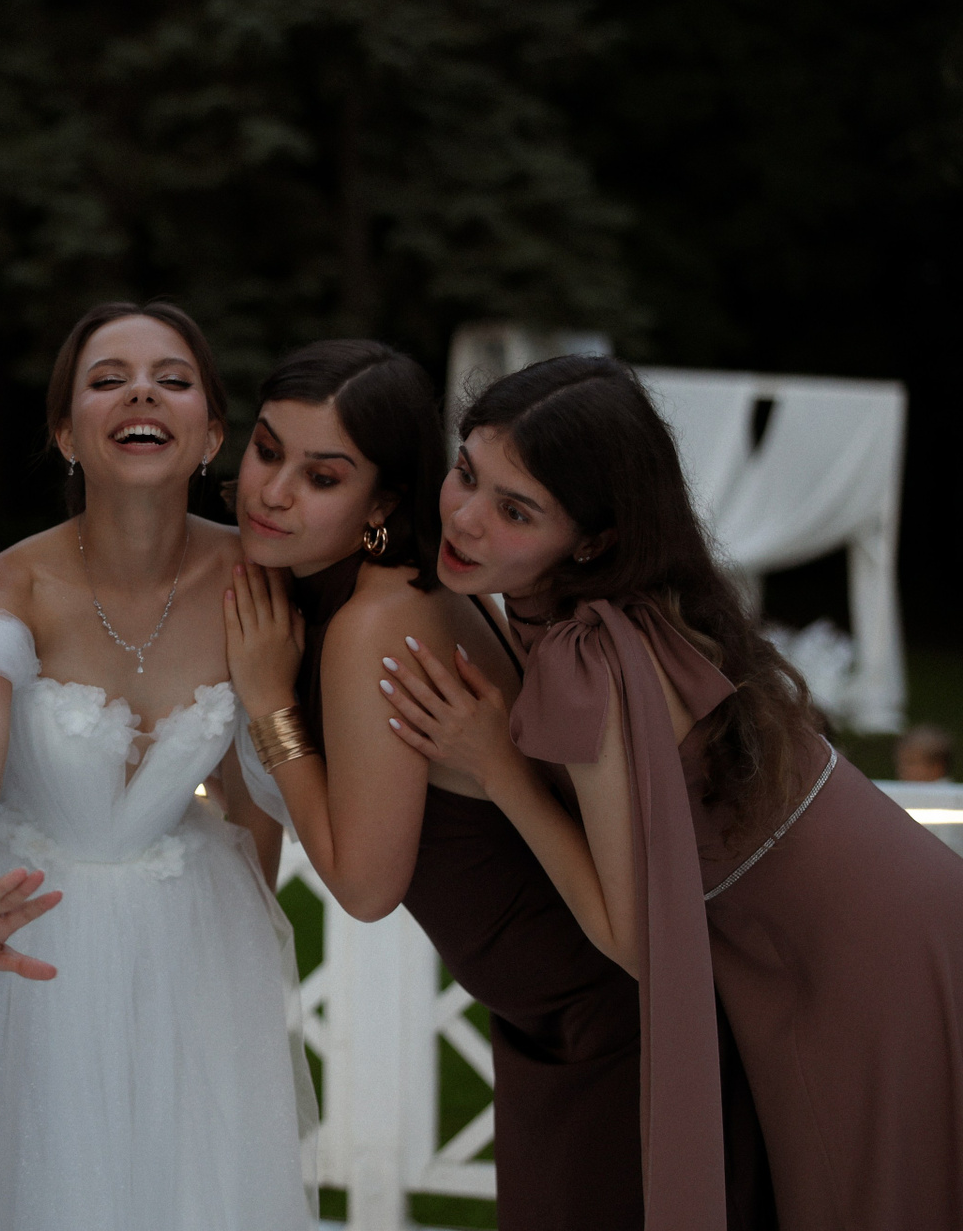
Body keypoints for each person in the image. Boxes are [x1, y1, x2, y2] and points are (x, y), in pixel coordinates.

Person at [380, 355, 963, 1230]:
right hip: (876, 923)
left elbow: (636, 939)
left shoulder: (587, 655)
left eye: (515, 510)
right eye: (466, 472)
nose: (464, 517)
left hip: (862, 961)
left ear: (593, 541)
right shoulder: (610, 605)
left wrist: (497, 769)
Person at [0, 301, 315, 1230]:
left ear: (211, 433)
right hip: (25, 938)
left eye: (173, 380)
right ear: (66, 434)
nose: (141, 394)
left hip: (197, 942)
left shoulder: (257, 583)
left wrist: (245, 942)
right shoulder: (2, 588)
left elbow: (251, 794)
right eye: (107, 380)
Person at [220, 339, 644, 1229]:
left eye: (322, 476)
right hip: (549, 1022)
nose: (274, 492)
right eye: (266, 450)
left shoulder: (375, 621)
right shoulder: (382, 588)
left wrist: (269, 705)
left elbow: (365, 886)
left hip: (599, 1026)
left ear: (382, 500)